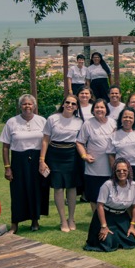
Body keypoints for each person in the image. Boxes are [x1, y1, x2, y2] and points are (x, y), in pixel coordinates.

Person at [0, 94, 49, 233]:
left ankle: (35, 220)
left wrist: (43, 161)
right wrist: (7, 167)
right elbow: (5, 147)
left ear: (34, 106)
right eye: (24, 104)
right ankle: (15, 224)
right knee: (18, 192)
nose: (27, 106)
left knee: (36, 190)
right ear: (20, 106)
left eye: (30, 104)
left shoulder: (42, 121)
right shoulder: (12, 122)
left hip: (37, 159)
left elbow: (46, 141)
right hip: (19, 159)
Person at [39, 94, 84, 232]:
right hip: (55, 155)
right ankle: (63, 220)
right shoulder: (52, 119)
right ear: (63, 104)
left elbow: (81, 141)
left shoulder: (80, 121)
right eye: (68, 102)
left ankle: (71, 218)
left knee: (71, 187)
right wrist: (42, 160)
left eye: (73, 104)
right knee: (58, 187)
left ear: (77, 107)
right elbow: (45, 140)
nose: (70, 105)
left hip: (72, 155)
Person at [84, 159, 135, 252]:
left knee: (133, 240)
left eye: (124, 170)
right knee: (107, 243)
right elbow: (100, 205)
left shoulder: (133, 185)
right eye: (118, 170)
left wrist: (132, 225)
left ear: (129, 171)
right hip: (106, 216)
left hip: (122, 216)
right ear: (114, 172)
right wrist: (104, 226)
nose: (121, 172)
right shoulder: (108, 184)